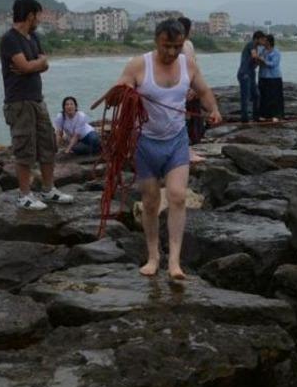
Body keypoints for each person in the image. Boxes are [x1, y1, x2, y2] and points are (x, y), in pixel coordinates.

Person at [104, 18, 221, 279]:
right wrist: (121, 92)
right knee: (150, 202)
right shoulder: (138, 64)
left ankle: (175, 262)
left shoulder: (187, 63)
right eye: (167, 46)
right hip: (145, 143)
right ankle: (153, 256)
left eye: (177, 47)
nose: (171, 52)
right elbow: (116, 95)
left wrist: (213, 109)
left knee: (178, 196)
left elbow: (203, 91)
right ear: (157, 40)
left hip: (177, 140)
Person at [0, 0, 74, 210]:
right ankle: (24, 195)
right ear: (30, 15)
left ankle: (48, 190)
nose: (40, 19)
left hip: (37, 100)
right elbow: (24, 67)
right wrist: (34, 64)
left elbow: (44, 64)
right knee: (24, 148)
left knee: (47, 144)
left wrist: (35, 65)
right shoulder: (10, 39)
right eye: (39, 15)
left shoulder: (33, 37)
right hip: (19, 102)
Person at [178, 16, 206, 159]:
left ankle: (188, 147)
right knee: (190, 117)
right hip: (188, 86)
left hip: (185, 86)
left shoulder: (182, 45)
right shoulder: (187, 44)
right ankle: (190, 146)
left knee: (185, 117)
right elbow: (193, 67)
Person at [236, 30, 265, 123]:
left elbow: (255, 62)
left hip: (251, 74)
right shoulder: (251, 44)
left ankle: (255, 116)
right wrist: (262, 59)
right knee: (246, 97)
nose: (263, 42)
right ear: (257, 39)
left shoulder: (256, 47)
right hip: (245, 74)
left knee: (256, 95)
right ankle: (245, 118)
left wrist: (260, 60)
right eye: (262, 40)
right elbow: (254, 57)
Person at [256, 33, 284, 121]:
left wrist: (264, 61)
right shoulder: (262, 50)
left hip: (274, 77)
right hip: (263, 77)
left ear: (269, 42)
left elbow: (273, 64)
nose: (263, 42)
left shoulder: (276, 52)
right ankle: (264, 114)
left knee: (275, 97)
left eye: (265, 40)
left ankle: (276, 115)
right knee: (264, 96)